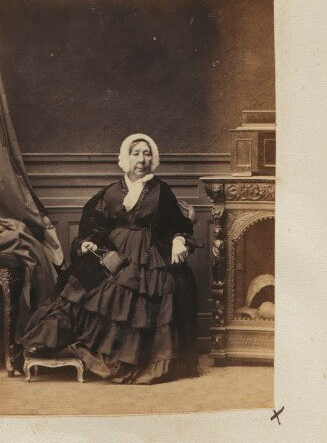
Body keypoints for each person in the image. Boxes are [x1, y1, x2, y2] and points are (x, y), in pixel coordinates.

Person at [19, 134, 198, 383]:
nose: (141, 159)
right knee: (86, 290)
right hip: (114, 253)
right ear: (125, 158)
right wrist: (89, 241)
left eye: (147, 154)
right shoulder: (111, 191)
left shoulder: (162, 191)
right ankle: (57, 344)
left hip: (150, 255)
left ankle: (135, 358)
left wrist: (178, 239)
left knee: (150, 299)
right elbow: (95, 224)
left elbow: (176, 225)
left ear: (153, 159)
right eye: (135, 153)